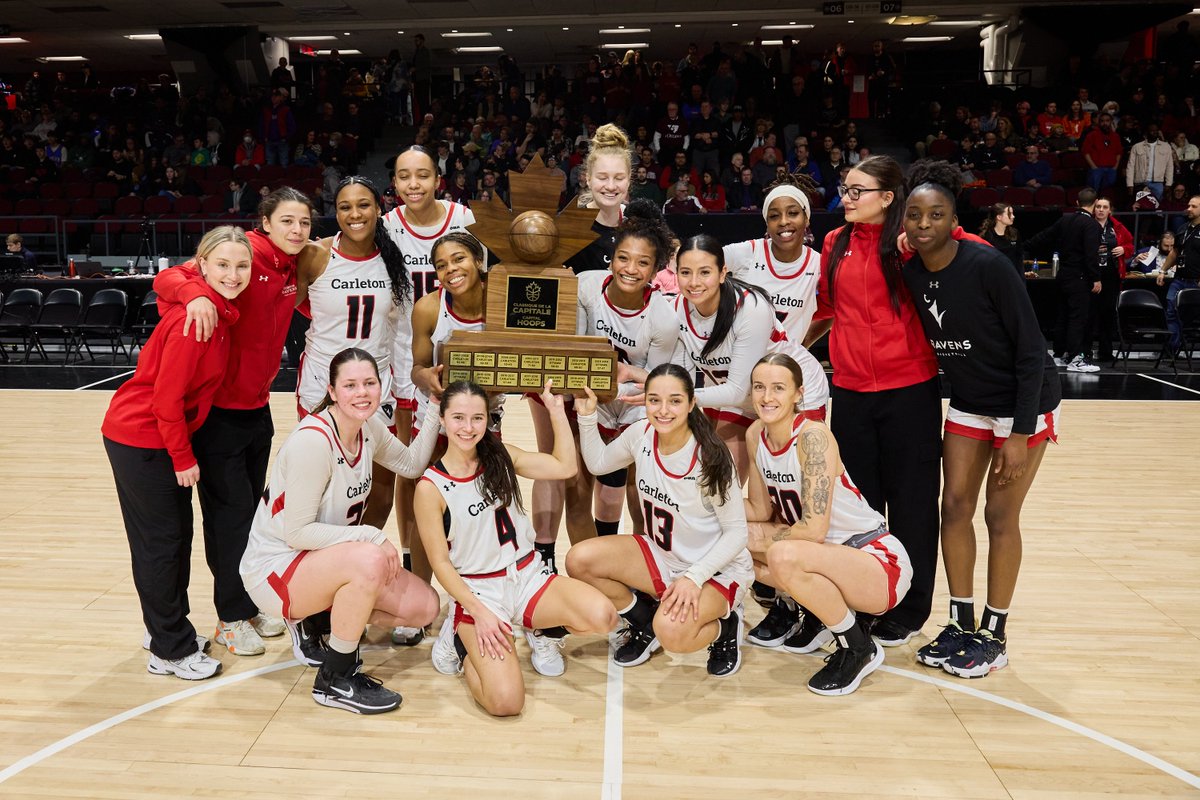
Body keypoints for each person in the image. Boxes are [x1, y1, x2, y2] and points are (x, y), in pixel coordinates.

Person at [901, 162, 1061, 678]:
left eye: (936, 214)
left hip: (1022, 405)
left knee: (999, 516)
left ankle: (995, 632)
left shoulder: (988, 265)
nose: (924, 223)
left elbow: (1032, 351)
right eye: (915, 215)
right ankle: (960, 620)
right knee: (955, 507)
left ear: (954, 221)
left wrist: (1018, 433)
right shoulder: (911, 272)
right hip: (968, 403)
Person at [152, 189, 314, 657]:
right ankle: (229, 616)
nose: (296, 231)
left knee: (251, 518)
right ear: (264, 222)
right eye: (287, 221)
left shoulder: (291, 264)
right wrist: (194, 296)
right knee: (231, 518)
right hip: (218, 413)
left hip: (256, 409)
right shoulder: (243, 254)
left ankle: (246, 601)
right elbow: (168, 278)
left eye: (304, 223)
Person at [241, 349, 442, 713]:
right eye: (350, 385)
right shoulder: (313, 441)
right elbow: (297, 534)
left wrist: (434, 408)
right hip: (276, 571)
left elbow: (411, 465)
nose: (361, 392)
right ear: (332, 391)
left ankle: (318, 618)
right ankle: (337, 678)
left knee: (424, 608)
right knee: (368, 558)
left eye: (369, 383)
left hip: (324, 561)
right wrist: (371, 534)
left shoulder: (369, 427)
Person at [803, 155, 942, 647]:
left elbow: (961, 251)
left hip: (910, 390)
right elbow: (826, 308)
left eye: (859, 191)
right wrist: (789, 353)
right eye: (845, 188)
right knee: (859, 507)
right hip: (853, 392)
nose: (847, 197)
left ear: (888, 197)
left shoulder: (909, 244)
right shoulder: (834, 242)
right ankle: (865, 598)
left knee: (914, 502)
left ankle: (912, 606)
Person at [103, 227, 252, 680]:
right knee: (162, 545)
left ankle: (165, 629)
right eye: (222, 265)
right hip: (144, 437)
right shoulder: (197, 321)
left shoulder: (213, 308)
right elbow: (167, 400)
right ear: (202, 265)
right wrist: (184, 457)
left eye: (241, 265)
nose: (233, 274)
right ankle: (168, 649)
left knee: (171, 539)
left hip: (155, 436)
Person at [416, 381, 618, 715]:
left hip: (527, 578)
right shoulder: (431, 488)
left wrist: (556, 412)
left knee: (603, 616)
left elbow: (565, 467)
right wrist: (479, 614)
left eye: (477, 418)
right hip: (480, 593)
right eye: (459, 418)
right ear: (442, 418)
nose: (468, 428)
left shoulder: (502, 456)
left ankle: (540, 630)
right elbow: (440, 564)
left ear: (487, 419)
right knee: (506, 702)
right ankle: (458, 642)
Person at [567, 365, 755, 677]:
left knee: (674, 632)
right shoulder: (640, 434)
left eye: (675, 401)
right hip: (663, 556)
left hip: (715, 570)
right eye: (654, 400)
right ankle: (644, 620)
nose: (663, 410)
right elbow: (599, 464)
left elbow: (737, 534)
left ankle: (725, 627)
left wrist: (694, 578)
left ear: (692, 404)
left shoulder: (710, 458)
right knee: (579, 560)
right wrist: (587, 415)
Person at [743, 354, 913, 694]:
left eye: (778, 388)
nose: (767, 397)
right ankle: (819, 612)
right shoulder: (755, 435)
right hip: (824, 556)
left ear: (798, 394)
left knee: (781, 555)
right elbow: (759, 510)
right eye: (759, 387)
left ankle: (857, 647)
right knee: (731, 535)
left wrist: (753, 544)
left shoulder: (813, 437)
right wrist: (704, 503)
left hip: (876, 561)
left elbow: (813, 530)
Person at [720, 175, 833, 639]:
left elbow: (830, 311)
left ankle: (799, 597)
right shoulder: (743, 254)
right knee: (733, 485)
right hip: (743, 381)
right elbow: (690, 269)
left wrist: (798, 345)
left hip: (794, 385)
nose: (784, 222)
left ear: (807, 219)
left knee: (799, 494)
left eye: (793, 213)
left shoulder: (821, 265)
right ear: (764, 220)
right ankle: (749, 584)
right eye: (774, 214)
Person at [382, 144, 479, 643]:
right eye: (404, 176)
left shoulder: (464, 217)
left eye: (422, 174)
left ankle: (477, 570)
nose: (414, 183)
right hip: (410, 355)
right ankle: (411, 565)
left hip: (467, 358)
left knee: (474, 466)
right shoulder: (387, 225)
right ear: (395, 184)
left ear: (438, 178)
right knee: (412, 469)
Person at [294, 176, 411, 524]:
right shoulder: (314, 255)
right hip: (322, 381)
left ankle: (365, 552)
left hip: (376, 382)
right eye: (345, 207)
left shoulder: (394, 258)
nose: (355, 213)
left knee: (381, 481)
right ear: (336, 212)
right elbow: (283, 305)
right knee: (325, 481)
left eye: (363, 205)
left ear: (378, 209)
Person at [672, 234, 829, 483]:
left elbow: (734, 390)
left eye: (704, 272)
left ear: (723, 272)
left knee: (787, 488)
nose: (694, 282)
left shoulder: (750, 308)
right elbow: (681, 380)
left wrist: (677, 399)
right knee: (722, 482)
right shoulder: (676, 310)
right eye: (685, 273)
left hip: (793, 391)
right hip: (741, 396)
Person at [574, 199, 678, 541]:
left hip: (636, 406)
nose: (631, 269)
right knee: (578, 484)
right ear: (612, 256)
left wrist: (628, 375)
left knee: (638, 488)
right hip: (594, 400)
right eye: (623, 258)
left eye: (643, 263)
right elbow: (575, 352)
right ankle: (597, 557)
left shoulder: (663, 317)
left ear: (655, 270)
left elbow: (659, 383)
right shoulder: (587, 286)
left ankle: (642, 555)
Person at [1025, 188, 1102, 372]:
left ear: (1077, 202)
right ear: (1094, 203)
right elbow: (1091, 256)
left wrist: (1022, 248)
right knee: (1077, 318)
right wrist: (1096, 278)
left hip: (1062, 275)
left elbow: (1042, 237)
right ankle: (1075, 358)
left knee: (1063, 316)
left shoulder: (1065, 219)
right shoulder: (1091, 225)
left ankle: (1060, 355)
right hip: (1079, 277)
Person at [1157, 194, 1200, 353]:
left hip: (1196, 282)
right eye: (1189, 205)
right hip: (1179, 279)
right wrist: (1163, 270)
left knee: (1187, 317)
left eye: (1193, 206)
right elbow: (1175, 252)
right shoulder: (1183, 228)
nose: (1189, 209)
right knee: (1171, 312)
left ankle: (1179, 344)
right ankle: (1172, 349)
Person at [1091, 198, 1132, 362]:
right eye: (1098, 207)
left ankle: (1105, 352)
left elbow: (1130, 245)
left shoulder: (1117, 227)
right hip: (1091, 276)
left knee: (1108, 315)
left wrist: (1124, 249)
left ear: (1110, 210)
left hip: (1112, 276)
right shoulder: (1088, 225)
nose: (1101, 210)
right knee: (1089, 314)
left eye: (1104, 207)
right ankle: (1084, 352)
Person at [979, 203, 1025, 277]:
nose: (1013, 216)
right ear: (999, 217)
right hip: (994, 278)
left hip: (1012, 277)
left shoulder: (1014, 233)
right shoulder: (986, 237)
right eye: (1009, 214)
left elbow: (1019, 258)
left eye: (1012, 213)